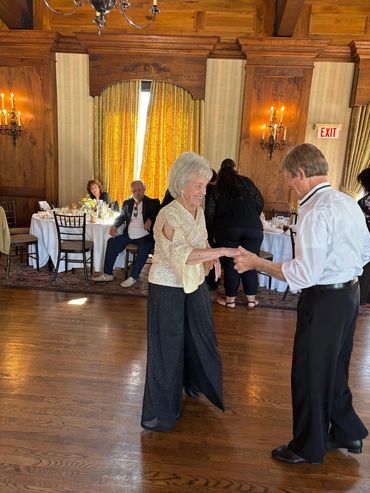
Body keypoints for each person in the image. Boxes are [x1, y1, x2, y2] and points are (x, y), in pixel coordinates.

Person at [234, 143, 370, 465]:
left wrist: (257, 263)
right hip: (349, 295)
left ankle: (308, 446)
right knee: (334, 368)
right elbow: (365, 254)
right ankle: (346, 431)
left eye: (289, 180)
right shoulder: (348, 203)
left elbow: (303, 274)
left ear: (301, 173)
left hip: (324, 300)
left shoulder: (315, 211)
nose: (289, 187)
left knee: (309, 372)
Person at [141, 152, 238, 432]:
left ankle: (194, 383)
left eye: (205, 185)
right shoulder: (168, 216)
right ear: (182, 184)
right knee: (167, 347)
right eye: (198, 185)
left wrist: (214, 258)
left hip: (193, 283)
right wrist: (222, 251)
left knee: (199, 336)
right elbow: (181, 254)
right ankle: (162, 411)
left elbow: (201, 238)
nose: (202, 191)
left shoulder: (199, 207)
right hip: (167, 287)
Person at [205, 158, 264, 309]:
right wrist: (250, 217)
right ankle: (251, 300)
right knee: (250, 261)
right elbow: (260, 202)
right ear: (235, 168)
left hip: (227, 229)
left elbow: (210, 212)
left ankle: (230, 300)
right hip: (253, 228)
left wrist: (211, 234)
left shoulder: (217, 186)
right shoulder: (246, 182)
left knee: (231, 264)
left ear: (220, 170)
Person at [93, 180, 160, 287]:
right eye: (134, 191)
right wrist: (115, 225)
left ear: (144, 189)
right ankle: (107, 274)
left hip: (145, 236)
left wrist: (151, 219)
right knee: (112, 242)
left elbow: (158, 214)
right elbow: (121, 217)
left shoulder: (153, 202)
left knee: (145, 247)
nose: (136, 193)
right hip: (129, 235)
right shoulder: (127, 203)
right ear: (131, 191)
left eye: (139, 190)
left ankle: (133, 277)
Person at [357, 167, 370, 304]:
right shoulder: (365, 200)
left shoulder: (364, 200)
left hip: (364, 237)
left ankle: (362, 298)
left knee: (365, 268)